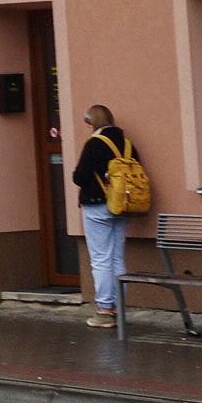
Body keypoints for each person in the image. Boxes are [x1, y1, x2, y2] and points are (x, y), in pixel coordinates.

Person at [70, 104, 132, 328]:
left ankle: (105, 310)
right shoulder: (126, 144)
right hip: (122, 206)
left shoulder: (95, 143)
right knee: (117, 257)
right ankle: (120, 308)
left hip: (97, 206)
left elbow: (80, 177)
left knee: (100, 259)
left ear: (93, 122)